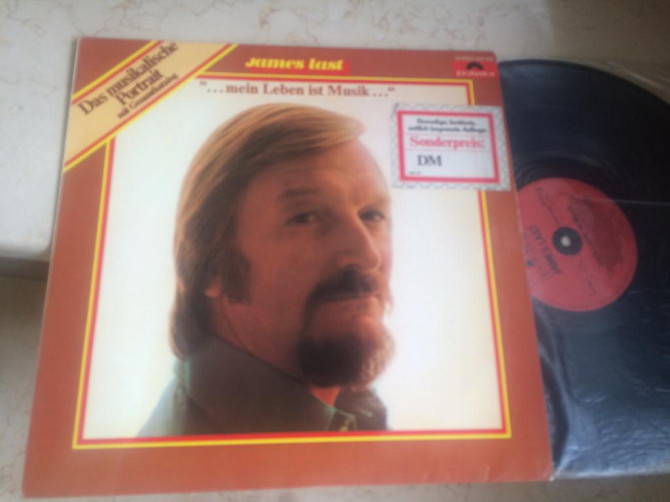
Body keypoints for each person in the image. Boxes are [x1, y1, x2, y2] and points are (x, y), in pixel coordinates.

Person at [141, 103, 394, 436]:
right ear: (212, 266)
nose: (367, 254)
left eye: (372, 215)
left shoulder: (347, 418)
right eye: (305, 217)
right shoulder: (188, 457)